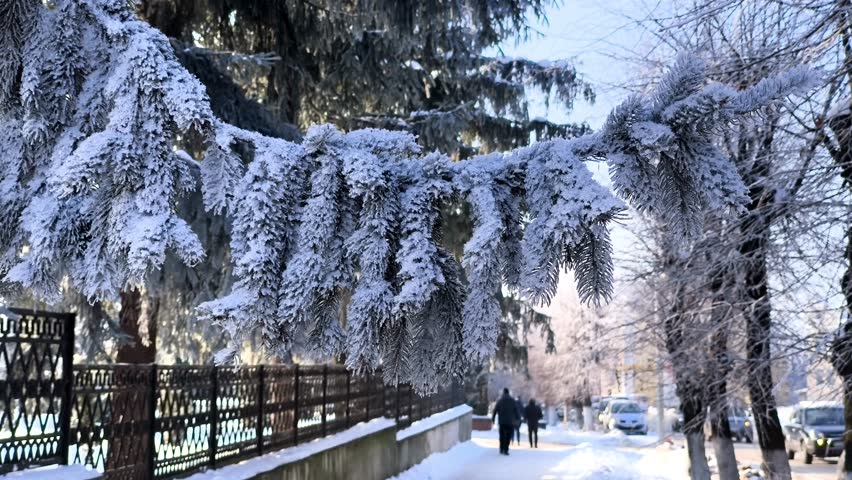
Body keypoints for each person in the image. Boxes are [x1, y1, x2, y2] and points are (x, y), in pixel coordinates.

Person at [492, 388, 520, 455]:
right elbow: (516, 410)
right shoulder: (512, 401)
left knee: (502, 435)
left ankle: (501, 448)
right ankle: (506, 449)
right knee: (508, 436)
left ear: (503, 393)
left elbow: (495, 410)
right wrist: (517, 418)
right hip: (510, 421)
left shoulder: (500, 400)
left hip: (502, 421)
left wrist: (493, 419)